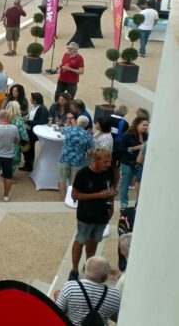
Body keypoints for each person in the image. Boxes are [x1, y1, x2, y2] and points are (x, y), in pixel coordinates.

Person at [68, 150, 116, 282]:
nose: (108, 164)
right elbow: (75, 195)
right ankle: (74, 269)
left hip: (102, 214)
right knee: (81, 240)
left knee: (94, 240)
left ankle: (89, 266)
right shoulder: (83, 173)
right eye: (105, 162)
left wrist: (111, 205)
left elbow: (110, 188)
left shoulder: (109, 171)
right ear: (96, 160)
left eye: (109, 161)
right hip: (86, 214)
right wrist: (98, 195)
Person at [56, 256, 121, 325]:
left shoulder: (70, 287)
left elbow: (57, 312)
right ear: (105, 277)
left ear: (85, 271)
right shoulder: (115, 295)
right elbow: (117, 317)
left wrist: (57, 297)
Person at [59, 115, 95, 201]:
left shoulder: (68, 129)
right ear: (86, 125)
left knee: (62, 180)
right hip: (78, 161)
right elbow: (90, 151)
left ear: (77, 122)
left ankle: (63, 200)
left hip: (64, 158)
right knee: (74, 183)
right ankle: (71, 200)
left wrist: (69, 124)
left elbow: (61, 129)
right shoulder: (87, 135)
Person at [116, 117, 147, 208]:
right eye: (143, 125)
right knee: (125, 184)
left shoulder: (147, 136)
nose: (145, 127)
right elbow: (121, 149)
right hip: (128, 163)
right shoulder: (128, 135)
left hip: (141, 164)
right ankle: (124, 205)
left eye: (147, 125)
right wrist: (135, 148)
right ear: (137, 125)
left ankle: (138, 204)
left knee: (139, 183)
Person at [21, 93, 49, 172]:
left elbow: (41, 123)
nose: (30, 99)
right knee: (27, 148)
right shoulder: (36, 107)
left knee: (29, 149)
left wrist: (27, 121)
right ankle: (27, 164)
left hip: (35, 132)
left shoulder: (42, 109)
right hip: (31, 130)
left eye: (31, 98)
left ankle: (29, 166)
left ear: (35, 101)